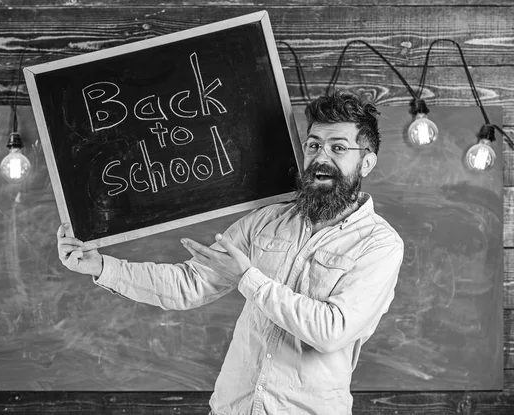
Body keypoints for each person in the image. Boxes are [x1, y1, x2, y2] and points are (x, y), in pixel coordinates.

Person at [57, 91, 404, 415]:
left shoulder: (380, 245)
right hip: (232, 406)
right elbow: (189, 284)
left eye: (338, 148)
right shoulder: (267, 221)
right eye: (313, 145)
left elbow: (331, 331)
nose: (320, 158)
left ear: (367, 162)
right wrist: (101, 266)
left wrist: (248, 278)